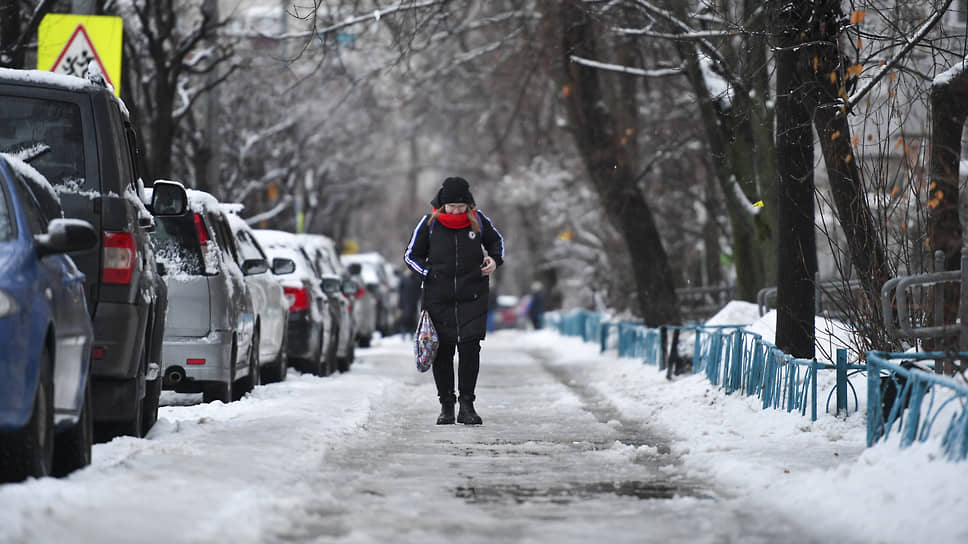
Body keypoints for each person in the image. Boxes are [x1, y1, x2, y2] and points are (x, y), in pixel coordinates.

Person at [404, 176, 505, 425]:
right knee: (444, 352)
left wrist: (493, 260)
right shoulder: (428, 224)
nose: (456, 211)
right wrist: (428, 273)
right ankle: (446, 406)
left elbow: (497, 244)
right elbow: (410, 255)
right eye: (452, 207)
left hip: (473, 297)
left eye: (461, 207)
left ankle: (467, 405)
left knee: (470, 351)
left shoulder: (479, 221)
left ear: (468, 205)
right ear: (442, 204)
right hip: (438, 299)